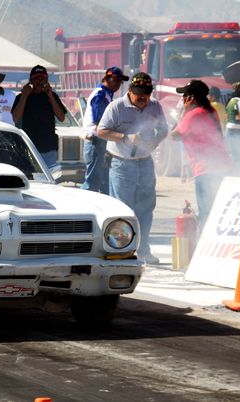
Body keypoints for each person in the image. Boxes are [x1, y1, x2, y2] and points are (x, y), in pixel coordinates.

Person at [97, 72, 168, 264]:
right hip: (121, 163)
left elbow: (164, 129)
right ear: (130, 91)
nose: (143, 97)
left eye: (146, 93)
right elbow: (101, 131)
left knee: (146, 208)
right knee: (123, 209)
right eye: (139, 93)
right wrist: (124, 137)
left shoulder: (155, 106)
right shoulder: (116, 107)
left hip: (145, 162)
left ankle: (143, 250)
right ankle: (122, 250)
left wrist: (155, 141)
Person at [170, 80, 232, 229]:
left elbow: (174, 136)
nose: (182, 99)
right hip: (221, 166)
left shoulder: (193, 114)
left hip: (206, 170)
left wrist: (184, 112)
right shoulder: (210, 111)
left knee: (206, 213)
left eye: (185, 95)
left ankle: (205, 240)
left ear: (191, 98)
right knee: (217, 211)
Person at [11, 65, 66, 178]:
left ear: (46, 80)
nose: (39, 81)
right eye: (36, 78)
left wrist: (50, 96)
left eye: (42, 78)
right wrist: (25, 95)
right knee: (31, 178)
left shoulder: (52, 96)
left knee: (49, 179)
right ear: (31, 80)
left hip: (48, 148)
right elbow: (15, 118)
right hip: (29, 147)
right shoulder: (22, 97)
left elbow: (61, 117)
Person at [81, 66, 129, 194]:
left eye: (120, 81)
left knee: (102, 182)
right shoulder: (100, 95)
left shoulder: (106, 94)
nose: (118, 84)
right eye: (116, 80)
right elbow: (100, 124)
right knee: (91, 184)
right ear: (107, 79)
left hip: (99, 142)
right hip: (96, 142)